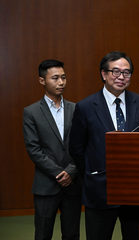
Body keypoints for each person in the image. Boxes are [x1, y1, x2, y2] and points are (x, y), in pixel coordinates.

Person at [69, 51, 139, 240]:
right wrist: (92, 172)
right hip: (99, 191)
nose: (121, 77)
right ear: (104, 74)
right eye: (116, 72)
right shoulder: (86, 106)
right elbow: (76, 149)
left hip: (134, 192)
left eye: (127, 73)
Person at [23, 59, 82, 240]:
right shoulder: (31, 112)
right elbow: (34, 149)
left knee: (72, 234)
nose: (61, 82)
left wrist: (71, 171)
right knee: (42, 234)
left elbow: (82, 145)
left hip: (72, 184)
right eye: (55, 78)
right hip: (46, 185)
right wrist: (59, 174)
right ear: (42, 81)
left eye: (63, 77)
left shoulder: (76, 108)